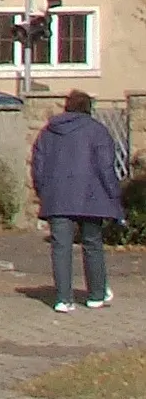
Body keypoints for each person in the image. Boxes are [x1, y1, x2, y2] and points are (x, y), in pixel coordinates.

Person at [31, 88, 124, 312]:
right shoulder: (97, 131)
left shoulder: (48, 132)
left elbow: (38, 166)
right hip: (92, 197)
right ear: (88, 108)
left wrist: (43, 192)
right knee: (92, 244)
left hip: (57, 197)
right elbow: (105, 167)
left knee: (61, 247)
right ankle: (96, 294)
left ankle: (63, 299)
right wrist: (114, 194)